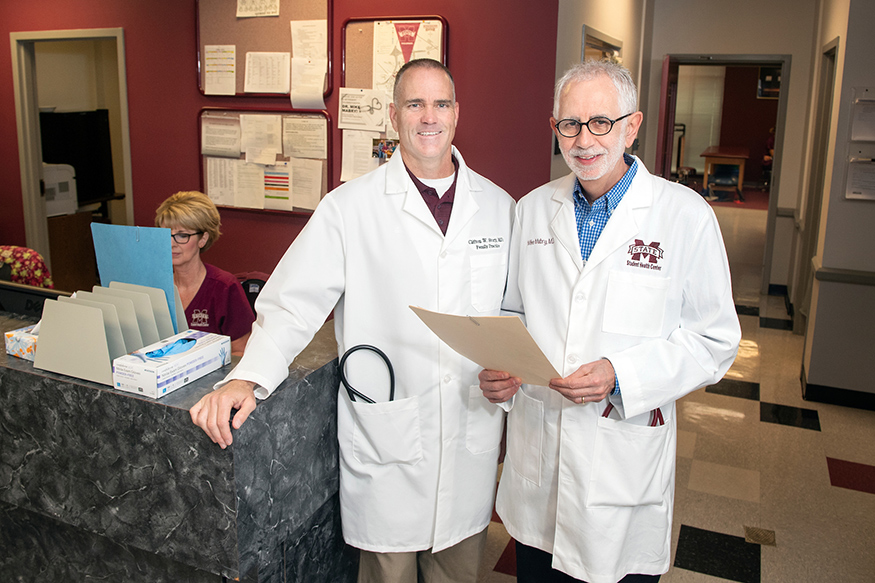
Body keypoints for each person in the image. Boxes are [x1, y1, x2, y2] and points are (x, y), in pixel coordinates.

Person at [189, 58, 514, 583]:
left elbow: (511, 312)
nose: (429, 116)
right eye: (414, 104)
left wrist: (510, 372)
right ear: (393, 115)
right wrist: (249, 375)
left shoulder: (499, 207)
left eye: (441, 103)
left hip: (468, 432)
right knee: (388, 572)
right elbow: (294, 300)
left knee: (459, 573)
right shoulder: (350, 207)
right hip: (389, 437)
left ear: (457, 114)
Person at [479, 60, 741, 583]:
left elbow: (715, 341)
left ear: (632, 125)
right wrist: (501, 368)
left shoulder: (683, 215)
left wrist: (621, 375)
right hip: (541, 458)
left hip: (621, 455)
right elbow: (513, 310)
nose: (583, 140)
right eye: (569, 125)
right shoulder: (532, 209)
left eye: (601, 122)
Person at [155, 191, 254, 354]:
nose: (171, 244)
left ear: (203, 239)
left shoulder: (224, 287)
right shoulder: (155, 287)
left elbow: (240, 352)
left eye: (182, 235)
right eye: (166, 234)